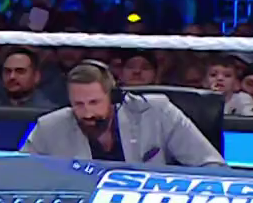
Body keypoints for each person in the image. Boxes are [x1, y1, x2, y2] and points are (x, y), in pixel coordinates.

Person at [22, 61, 223, 166]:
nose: (87, 113)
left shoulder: (157, 113)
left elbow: (212, 165)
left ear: (114, 97)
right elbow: (19, 173)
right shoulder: (50, 127)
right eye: (78, 104)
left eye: (94, 102)